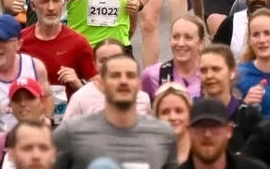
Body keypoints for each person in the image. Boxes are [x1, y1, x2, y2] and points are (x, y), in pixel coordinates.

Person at [51, 52, 179, 168]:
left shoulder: (164, 134)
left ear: (140, 84)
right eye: (115, 75)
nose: (123, 81)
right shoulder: (70, 133)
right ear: (101, 84)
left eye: (130, 75)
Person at [0, 14, 51, 129]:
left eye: (2, 40)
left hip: (26, 140)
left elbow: (46, 96)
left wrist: (45, 120)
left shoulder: (35, 67)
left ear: (19, 44)